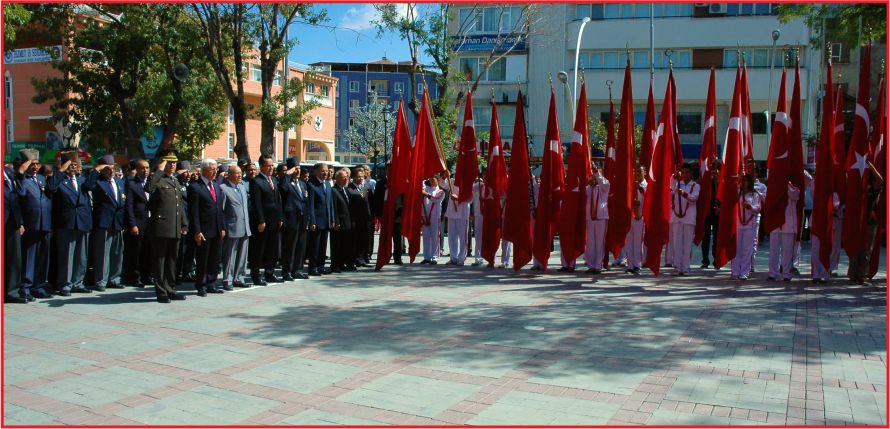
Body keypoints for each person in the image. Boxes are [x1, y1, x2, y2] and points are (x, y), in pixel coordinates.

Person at [49, 152, 96, 295]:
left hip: (83, 222)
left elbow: (91, 185)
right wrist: (62, 169)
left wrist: (95, 170)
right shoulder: (59, 179)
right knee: (67, 256)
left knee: (81, 255)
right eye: (71, 164)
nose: (74, 167)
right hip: (66, 223)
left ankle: (78, 282)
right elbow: (51, 187)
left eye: (76, 164)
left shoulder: (82, 180)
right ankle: (65, 284)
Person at [146, 151, 188, 303]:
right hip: (161, 226)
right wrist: (158, 170)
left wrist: (184, 223)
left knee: (172, 260)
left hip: (175, 227)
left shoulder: (175, 180)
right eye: (169, 163)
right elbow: (149, 188)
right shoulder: (157, 179)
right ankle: (161, 292)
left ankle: (170, 289)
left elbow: (179, 205)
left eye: (174, 163)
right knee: (160, 260)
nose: (172, 165)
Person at [15, 151, 53, 298]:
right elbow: (21, 194)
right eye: (32, 164)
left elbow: (50, 193)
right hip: (31, 223)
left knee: (43, 256)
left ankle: (39, 286)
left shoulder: (42, 179)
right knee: (29, 257)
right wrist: (21, 173)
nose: (35, 167)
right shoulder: (22, 179)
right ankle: (26, 287)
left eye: (37, 164)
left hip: (45, 223)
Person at [189, 159, 226, 295]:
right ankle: (201, 285)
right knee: (203, 258)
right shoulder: (195, 187)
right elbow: (194, 212)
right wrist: (197, 231)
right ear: (204, 170)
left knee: (214, 258)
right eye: (212, 169)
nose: (215, 171)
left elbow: (220, 209)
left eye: (216, 169)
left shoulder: (216, 185)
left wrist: (222, 227)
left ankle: (211, 283)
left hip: (216, 228)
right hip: (204, 229)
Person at [90, 155, 127, 291]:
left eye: (113, 168)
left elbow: (123, 202)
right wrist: (96, 170)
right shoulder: (98, 182)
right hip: (104, 221)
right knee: (103, 253)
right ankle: (101, 280)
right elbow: (88, 185)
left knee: (117, 252)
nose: (111, 171)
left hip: (118, 222)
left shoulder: (119, 182)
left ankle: (114, 278)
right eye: (107, 169)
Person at [249, 155, 284, 285]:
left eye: (272, 165)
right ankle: (256, 275)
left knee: (272, 248)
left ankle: (269, 272)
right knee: (259, 249)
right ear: (262, 166)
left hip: (274, 220)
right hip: (262, 221)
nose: (271, 167)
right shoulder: (256, 181)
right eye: (269, 165)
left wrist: (280, 217)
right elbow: (256, 203)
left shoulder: (273, 180)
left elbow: (278, 200)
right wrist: (261, 220)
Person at [848, 161, 884, 284]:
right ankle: (853, 274)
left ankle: (862, 275)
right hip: (856, 220)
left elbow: (880, 181)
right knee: (855, 246)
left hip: (870, 220)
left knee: (867, 249)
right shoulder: (855, 185)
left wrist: (871, 166)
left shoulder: (873, 187)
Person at [219, 165, 251, 289]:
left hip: (244, 226)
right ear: (229, 175)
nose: (239, 175)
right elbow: (221, 211)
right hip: (232, 227)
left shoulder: (242, 188)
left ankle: (239, 278)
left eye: (240, 173)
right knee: (230, 256)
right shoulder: (223, 188)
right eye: (237, 173)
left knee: (242, 255)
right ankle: (228, 279)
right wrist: (223, 227)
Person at [768, 177, 803, 282]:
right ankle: (772, 273)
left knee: (787, 251)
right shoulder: (774, 185)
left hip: (788, 223)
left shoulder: (793, 187)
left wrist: (785, 185)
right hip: (775, 223)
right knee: (773, 250)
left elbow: (795, 195)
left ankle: (786, 273)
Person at [123, 159, 152, 287]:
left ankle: (146, 275)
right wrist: (132, 224)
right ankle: (134, 277)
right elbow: (129, 205)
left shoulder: (151, 183)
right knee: (136, 251)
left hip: (150, 222)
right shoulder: (131, 183)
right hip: (138, 221)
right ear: (138, 169)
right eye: (142, 168)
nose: (145, 170)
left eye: (147, 168)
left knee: (148, 250)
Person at [280, 159, 309, 280]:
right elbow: (283, 188)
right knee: (290, 246)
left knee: (300, 246)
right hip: (291, 219)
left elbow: (305, 201)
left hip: (302, 219)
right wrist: (287, 174)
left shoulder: (302, 184)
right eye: (295, 169)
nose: (298, 171)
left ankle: (297, 269)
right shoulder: (286, 182)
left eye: (299, 169)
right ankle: (287, 271)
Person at [669, 164, 699, 276]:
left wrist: (684, 194)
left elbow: (693, 198)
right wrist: (674, 176)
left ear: (691, 173)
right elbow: (671, 184)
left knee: (687, 244)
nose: (685, 175)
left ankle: (685, 267)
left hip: (689, 218)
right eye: (683, 172)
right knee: (676, 243)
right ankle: (677, 266)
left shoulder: (695, 185)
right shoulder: (678, 183)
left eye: (687, 172)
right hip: (677, 217)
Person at [731, 174, 762, 281]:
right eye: (743, 181)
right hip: (738, 224)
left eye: (746, 181)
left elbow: (758, 208)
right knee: (737, 249)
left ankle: (744, 272)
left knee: (747, 249)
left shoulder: (754, 194)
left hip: (749, 224)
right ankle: (735, 271)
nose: (744, 183)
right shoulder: (738, 193)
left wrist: (750, 207)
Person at [4, 164, 27, 303]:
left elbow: (18, 198)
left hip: (12, 223)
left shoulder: (10, 175)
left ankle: (12, 292)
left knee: (14, 258)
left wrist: (20, 222)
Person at [306, 162, 333, 275]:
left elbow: (330, 204)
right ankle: (313, 267)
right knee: (315, 246)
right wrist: (312, 221)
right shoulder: (311, 184)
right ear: (316, 172)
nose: (325, 173)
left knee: (323, 246)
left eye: (326, 171)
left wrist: (332, 219)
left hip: (326, 220)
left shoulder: (327, 184)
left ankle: (321, 266)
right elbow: (311, 205)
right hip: (316, 221)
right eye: (323, 171)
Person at [585, 167, 610, 274]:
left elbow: (602, 182)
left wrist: (596, 172)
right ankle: (591, 265)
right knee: (590, 243)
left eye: (596, 175)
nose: (594, 177)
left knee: (599, 243)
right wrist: (589, 182)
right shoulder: (588, 188)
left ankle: (598, 265)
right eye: (593, 175)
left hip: (601, 218)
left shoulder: (604, 186)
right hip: (590, 218)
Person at [811, 192, 839, 283]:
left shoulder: (832, 191)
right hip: (817, 220)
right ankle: (817, 274)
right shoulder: (815, 185)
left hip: (827, 221)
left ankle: (824, 273)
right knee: (816, 249)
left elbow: (836, 205)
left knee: (826, 247)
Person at [347, 167, 372, 268]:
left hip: (365, 219)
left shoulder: (364, 187)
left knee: (364, 240)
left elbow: (368, 202)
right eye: (358, 177)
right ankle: (355, 259)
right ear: (353, 177)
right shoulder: (349, 189)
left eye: (362, 177)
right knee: (355, 241)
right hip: (355, 219)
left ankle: (362, 258)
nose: (361, 179)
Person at [329, 168, 354, 272]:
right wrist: (336, 221)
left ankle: (343, 263)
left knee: (345, 245)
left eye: (347, 177)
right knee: (337, 245)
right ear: (338, 178)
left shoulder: (346, 190)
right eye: (344, 177)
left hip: (347, 222)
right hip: (339, 222)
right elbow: (334, 207)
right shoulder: (334, 190)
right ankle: (335, 265)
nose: (346, 179)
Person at [443, 177, 470, 265]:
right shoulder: (452, 180)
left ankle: (461, 258)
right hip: (451, 213)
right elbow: (443, 184)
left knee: (463, 238)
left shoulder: (468, 183)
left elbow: (470, 199)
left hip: (462, 214)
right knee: (452, 237)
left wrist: (458, 198)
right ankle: (453, 258)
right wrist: (443, 176)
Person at [626, 166, 647, 274]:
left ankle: (637, 265)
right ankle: (630, 265)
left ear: (645, 172)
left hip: (640, 217)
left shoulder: (646, 185)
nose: (638, 173)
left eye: (640, 171)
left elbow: (648, 197)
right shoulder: (631, 184)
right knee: (629, 242)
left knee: (638, 242)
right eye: (636, 171)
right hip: (631, 216)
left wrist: (640, 188)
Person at [700, 161, 720, 269]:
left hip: (718, 213)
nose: (714, 171)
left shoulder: (722, 182)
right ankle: (705, 260)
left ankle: (716, 259)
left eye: (716, 169)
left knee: (717, 238)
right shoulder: (706, 182)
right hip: (707, 213)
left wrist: (721, 209)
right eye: (712, 169)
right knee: (705, 238)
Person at [421, 176, 445, 264]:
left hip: (435, 216)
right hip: (425, 215)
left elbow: (436, 200)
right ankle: (426, 257)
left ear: (438, 180)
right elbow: (421, 185)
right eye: (430, 179)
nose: (431, 181)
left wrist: (426, 194)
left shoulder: (441, 191)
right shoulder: (426, 188)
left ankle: (434, 256)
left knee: (435, 237)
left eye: (433, 179)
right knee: (426, 237)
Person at [471, 176, 485, 267]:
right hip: (478, 214)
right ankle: (478, 258)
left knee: (487, 237)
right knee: (478, 237)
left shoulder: (488, 187)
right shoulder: (476, 187)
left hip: (488, 215)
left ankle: (490, 258)